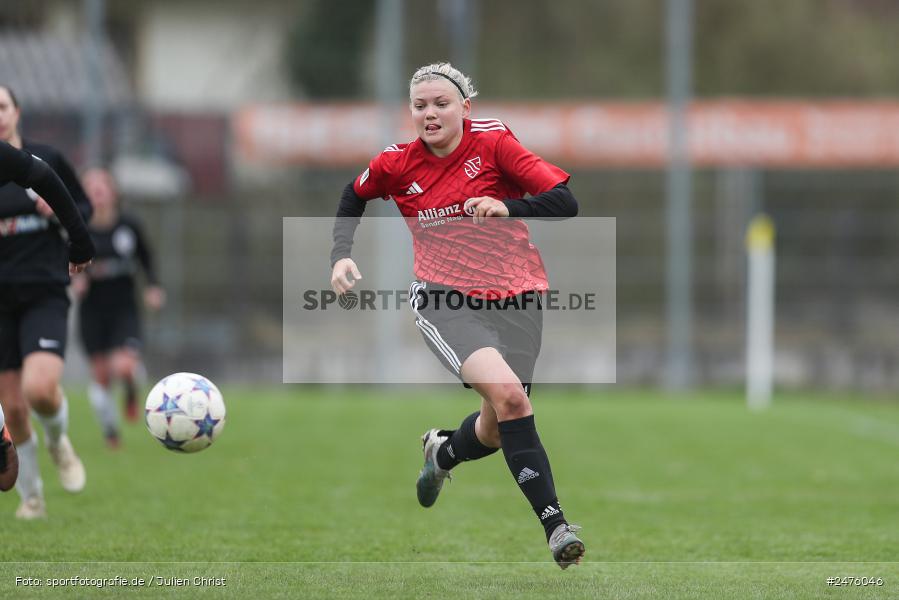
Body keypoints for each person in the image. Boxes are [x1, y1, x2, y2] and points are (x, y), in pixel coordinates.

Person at [329, 63, 584, 568]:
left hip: (518, 296)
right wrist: (340, 253)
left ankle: (441, 453)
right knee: (513, 399)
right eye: (420, 106)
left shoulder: (493, 143)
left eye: (441, 103)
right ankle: (557, 528)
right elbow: (353, 195)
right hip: (445, 300)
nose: (430, 113)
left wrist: (510, 208)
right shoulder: (396, 162)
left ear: (465, 108)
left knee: (496, 426)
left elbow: (566, 201)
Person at [0, 85, 95, 518]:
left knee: (39, 390)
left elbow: (82, 206)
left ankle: (58, 442)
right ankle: (32, 495)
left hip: (42, 288)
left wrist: (68, 227)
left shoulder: (42, 160)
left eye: (2, 106)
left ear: (17, 111)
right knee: (14, 409)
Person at [73, 168, 164, 447]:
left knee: (124, 367)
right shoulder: (78, 226)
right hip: (92, 312)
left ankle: (132, 391)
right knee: (100, 375)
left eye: (102, 185)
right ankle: (112, 433)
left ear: (113, 192)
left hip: (125, 309)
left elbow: (146, 256)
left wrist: (153, 286)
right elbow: (63, 261)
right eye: (90, 186)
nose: (97, 190)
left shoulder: (129, 225)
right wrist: (76, 279)